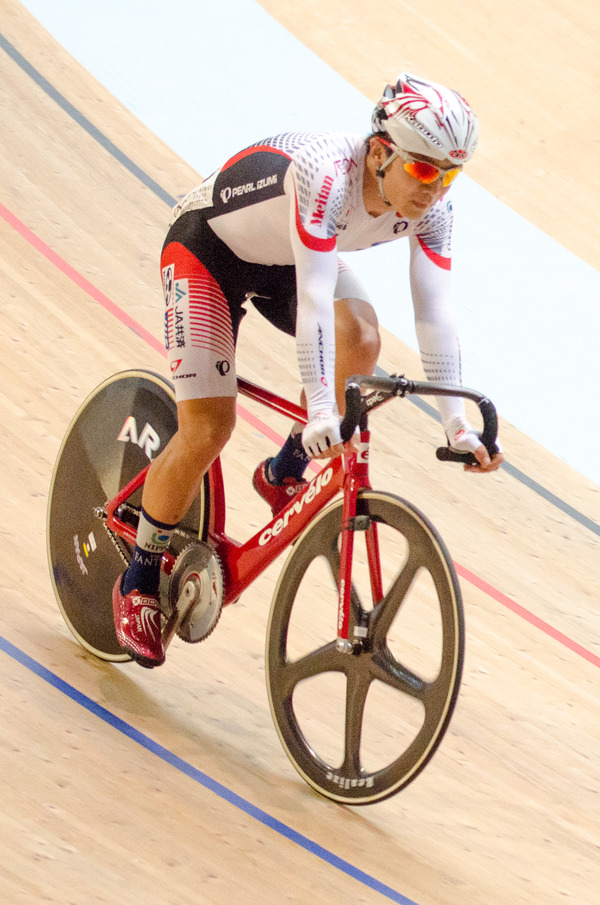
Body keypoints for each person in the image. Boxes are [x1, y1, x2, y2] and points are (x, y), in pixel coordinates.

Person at [112, 71, 504, 668]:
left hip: (287, 258)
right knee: (209, 428)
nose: (436, 189)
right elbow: (316, 301)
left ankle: (283, 468)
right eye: (425, 170)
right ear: (380, 152)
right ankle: (138, 579)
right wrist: (321, 405)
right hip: (208, 252)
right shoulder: (326, 174)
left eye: (450, 174)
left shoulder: (433, 209)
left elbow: (435, 312)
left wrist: (458, 427)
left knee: (363, 338)